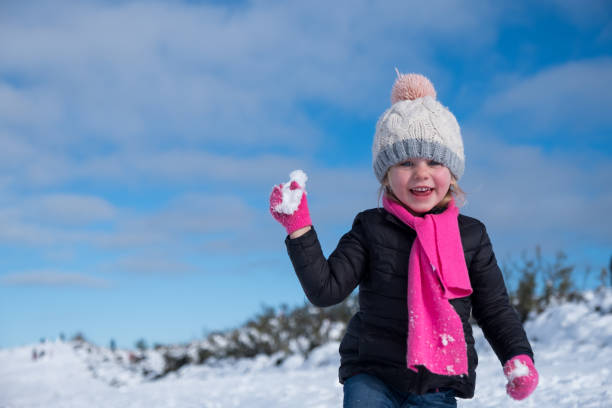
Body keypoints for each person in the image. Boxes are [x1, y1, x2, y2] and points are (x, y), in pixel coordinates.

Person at [269, 72, 538, 407]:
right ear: (386, 174)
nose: (421, 173)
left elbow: (494, 308)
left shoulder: (471, 235)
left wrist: (518, 357)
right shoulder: (369, 227)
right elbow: (326, 291)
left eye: (435, 161)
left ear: (452, 172)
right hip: (372, 374)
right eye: (406, 162)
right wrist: (299, 228)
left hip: (437, 382)